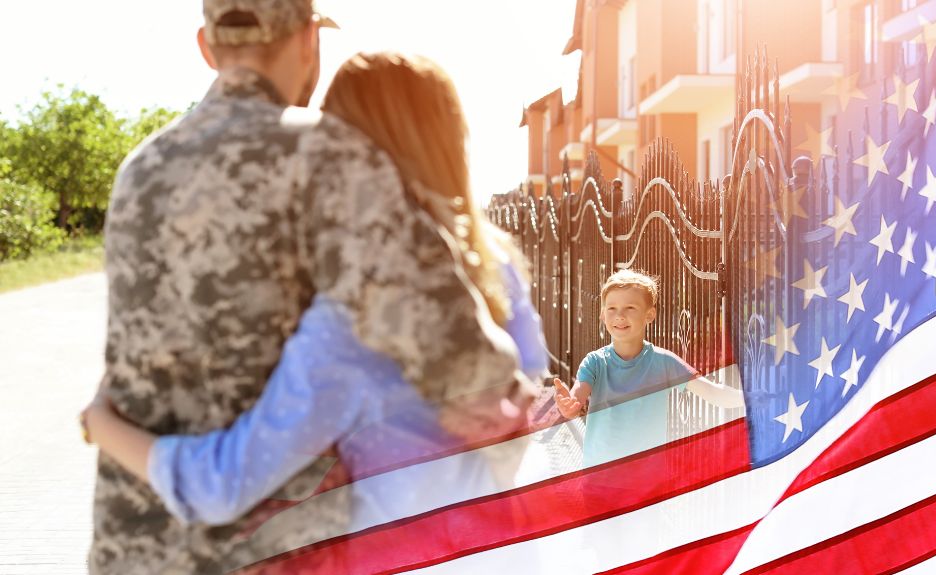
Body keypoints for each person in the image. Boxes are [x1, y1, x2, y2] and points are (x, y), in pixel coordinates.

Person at [89, 2, 531, 572]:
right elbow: (454, 357)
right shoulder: (328, 154)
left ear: (206, 46)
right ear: (307, 44)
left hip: (136, 545)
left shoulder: (139, 170)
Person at [553, 269, 744, 468]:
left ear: (650, 314)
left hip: (648, 484)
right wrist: (570, 406)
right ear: (602, 314)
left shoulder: (664, 362)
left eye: (630, 307)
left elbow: (713, 393)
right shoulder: (594, 362)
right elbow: (577, 397)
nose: (619, 315)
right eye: (611, 308)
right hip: (600, 480)